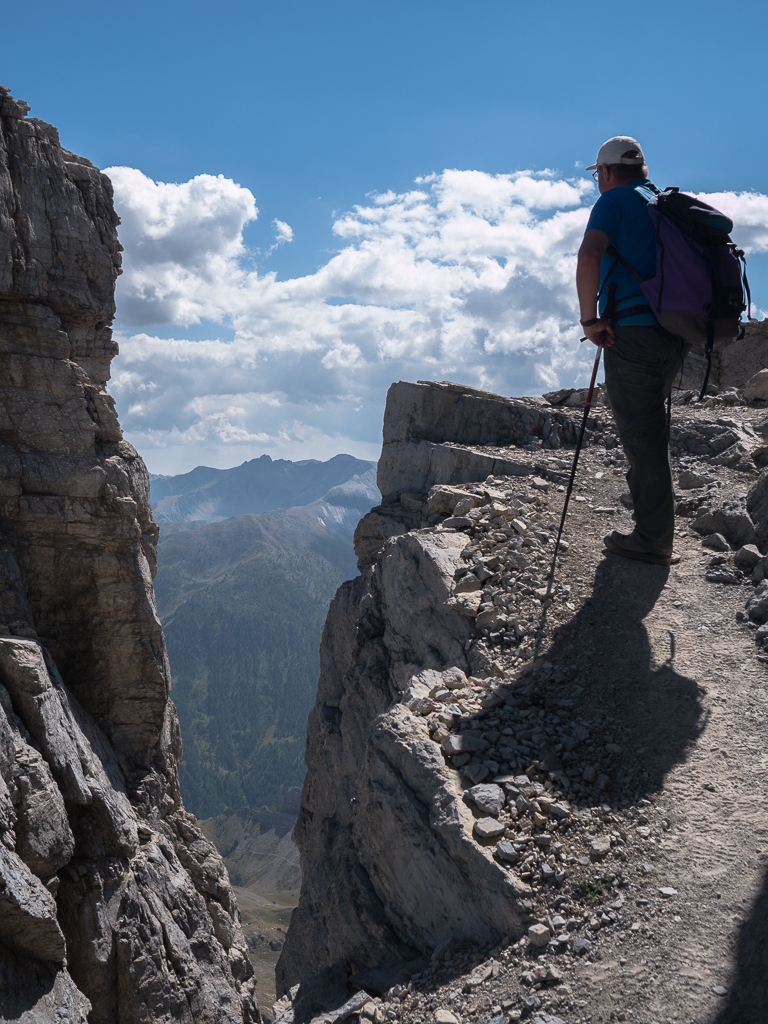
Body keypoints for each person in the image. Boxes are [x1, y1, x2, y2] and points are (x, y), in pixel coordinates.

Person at [576, 135, 687, 568]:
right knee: (650, 430)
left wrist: (590, 320)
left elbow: (590, 256)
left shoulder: (614, 201)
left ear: (604, 172)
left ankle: (653, 539)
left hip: (633, 333)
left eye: (596, 175)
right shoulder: (661, 200)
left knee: (643, 437)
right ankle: (655, 528)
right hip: (675, 334)